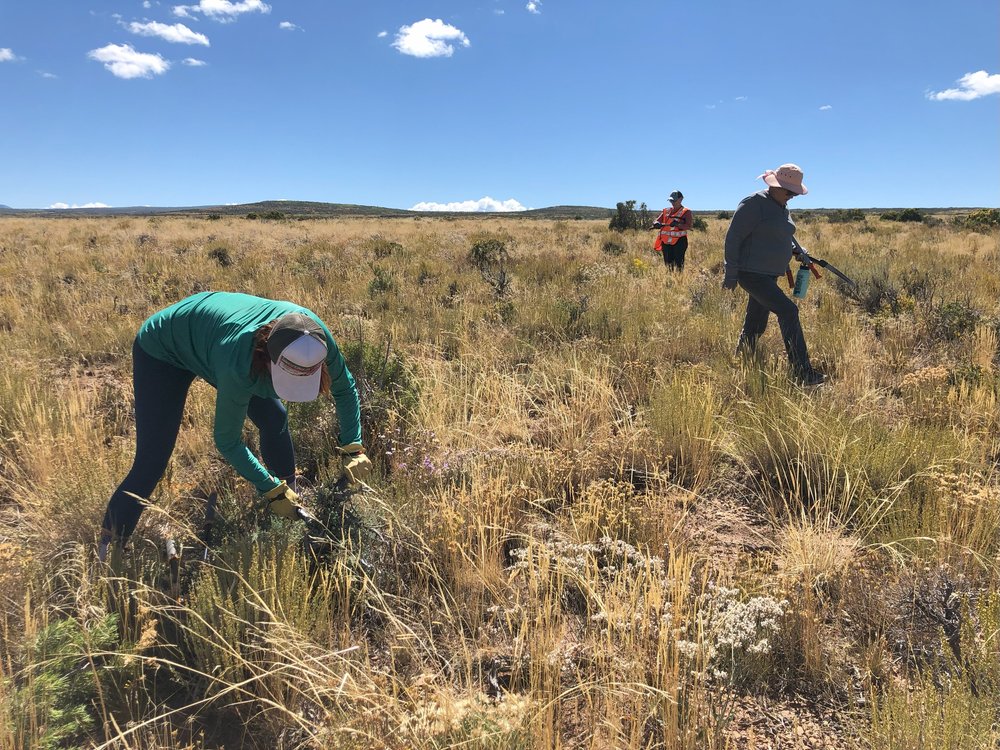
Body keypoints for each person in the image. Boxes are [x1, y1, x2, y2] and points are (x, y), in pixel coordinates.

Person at [98, 291, 373, 560]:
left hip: (210, 331)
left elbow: (346, 389)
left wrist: (353, 447)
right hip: (165, 348)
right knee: (151, 461)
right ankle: (109, 551)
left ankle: (293, 502)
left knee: (274, 419)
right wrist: (269, 488)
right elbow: (227, 440)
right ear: (268, 358)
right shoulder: (239, 363)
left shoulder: (315, 337)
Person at [722, 164, 825, 386]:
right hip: (751, 273)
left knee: (756, 322)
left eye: (795, 193)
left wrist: (796, 250)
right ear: (775, 185)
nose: (792, 196)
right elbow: (734, 237)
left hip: (768, 273)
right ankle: (803, 372)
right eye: (789, 192)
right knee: (788, 311)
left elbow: (778, 235)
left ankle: (741, 357)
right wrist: (731, 273)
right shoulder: (754, 204)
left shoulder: (781, 207)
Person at [653, 190, 694, 271]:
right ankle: (670, 279)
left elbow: (688, 226)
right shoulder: (666, 211)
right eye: (671, 200)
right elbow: (657, 220)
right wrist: (656, 223)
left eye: (674, 200)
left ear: (681, 199)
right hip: (666, 242)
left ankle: (679, 281)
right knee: (668, 265)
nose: (672, 202)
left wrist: (677, 225)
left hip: (679, 242)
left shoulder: (686, 212)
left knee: (679, 265)